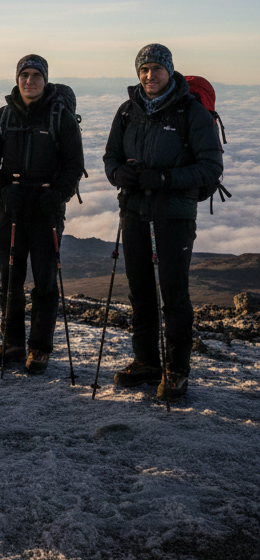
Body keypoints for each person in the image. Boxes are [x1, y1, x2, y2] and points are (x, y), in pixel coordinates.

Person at [103, 44, 223, 401]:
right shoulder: (128, 111)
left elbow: (211, 168)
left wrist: (165, 179)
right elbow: (110, 155)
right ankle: (146, 362)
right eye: (144, 69)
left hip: (173, 215)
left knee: (173, 293)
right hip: (134, 211)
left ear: (169, 71)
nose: (149, 75)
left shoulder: (191, 112)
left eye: (156, 69)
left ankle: (177, 369)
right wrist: (118, 173)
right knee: (140, 291)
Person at [0, 55, 85, 373]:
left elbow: (73, 165)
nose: (29, 81)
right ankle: (12, 344)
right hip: (11, 207)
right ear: (17, 79)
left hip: (45, 209)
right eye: (24, 75)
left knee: (44, 281)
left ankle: (39, 349)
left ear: (45, 79)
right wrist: (2, 189)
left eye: (35, 75)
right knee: (9, 278)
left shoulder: (60, 118)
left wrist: (58, 196)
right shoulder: (4, 116)